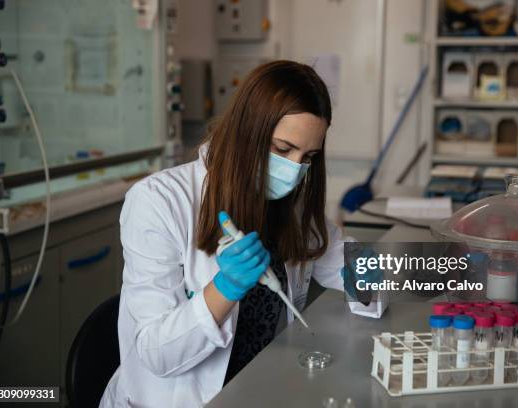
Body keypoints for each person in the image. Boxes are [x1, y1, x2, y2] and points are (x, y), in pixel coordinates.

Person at [99, 60, 378, 408]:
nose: (294, 169)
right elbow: (157, 355)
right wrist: (224, 289)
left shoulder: (287, 205)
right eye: (282, 149)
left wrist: (444, 271)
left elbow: (345, 260)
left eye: (308, 157)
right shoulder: (158, 202)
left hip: (260, 388)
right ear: (246, 130)